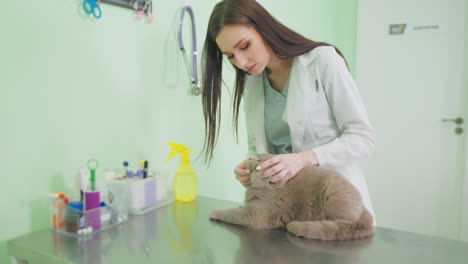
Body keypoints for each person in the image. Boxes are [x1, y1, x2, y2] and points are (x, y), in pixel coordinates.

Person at [201, 0, 376, 220]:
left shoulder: (322, 60)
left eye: (245, 46)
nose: (241, 62)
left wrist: (304, 158)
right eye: (231, 56)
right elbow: (257, 146)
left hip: (335, 206)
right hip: (286, 211)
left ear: (264, 29)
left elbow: (362, 137)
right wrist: (250, 167)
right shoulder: (253, 83)